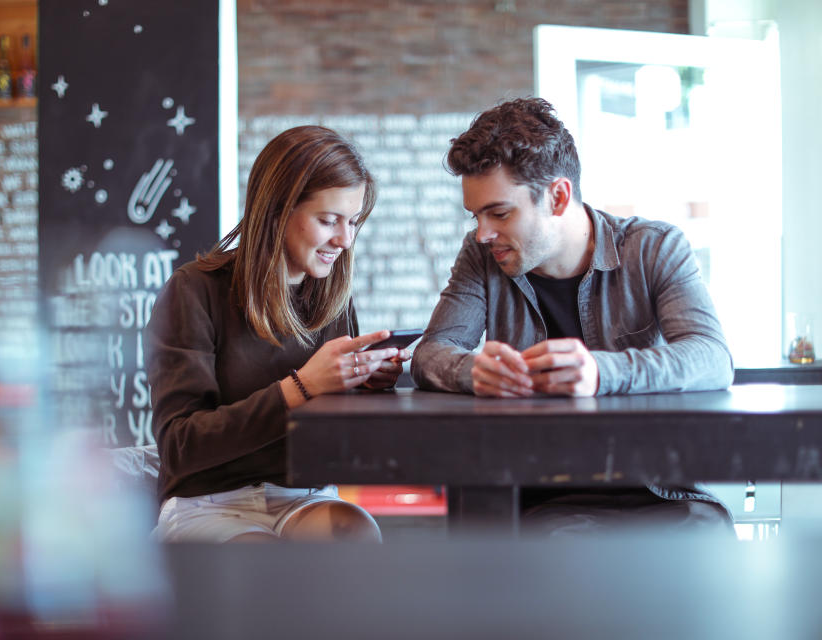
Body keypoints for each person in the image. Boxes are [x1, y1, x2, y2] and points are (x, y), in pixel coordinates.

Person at [411, 97, 735, 535]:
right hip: (547, 497)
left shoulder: (654, 248)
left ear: (558, 197)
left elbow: (712, 357)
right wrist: (473, 372)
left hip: (668, 493)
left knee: (706, 551)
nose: (483, 233)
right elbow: (430, 354)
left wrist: (601, 372)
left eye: (499, 213)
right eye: (476, 216)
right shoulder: (481, 256)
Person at [146, 126, 409, 543]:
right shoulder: (194, 290)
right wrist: (301, 387)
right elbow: (180, 447)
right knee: (263, 565)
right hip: (209, 501)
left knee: (356, 534)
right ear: (278, 210)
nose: (345, 239)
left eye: (353, 221)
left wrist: (362, 386)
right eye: (328, 220)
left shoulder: (333, 296)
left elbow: (338, 441)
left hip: (305, 495)